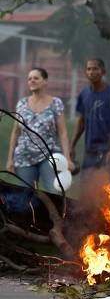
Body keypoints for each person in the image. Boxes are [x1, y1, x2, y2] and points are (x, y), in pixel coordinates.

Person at [5, 68, 74, 204]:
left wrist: (67, 159)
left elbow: (63, 132)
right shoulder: (22, 104)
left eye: (36, 78)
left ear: (45, 81)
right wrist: (9, 158)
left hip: (49, 155)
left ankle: (58, 222)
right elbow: (15, 132)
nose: (32, 81)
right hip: (24, 157)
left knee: (54, 192)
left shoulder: (56, 103)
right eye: (29, 78)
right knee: (26, 197)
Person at [71, 59, 110, 172]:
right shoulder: (84, 94)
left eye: (95, 68)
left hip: (108, 150)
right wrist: (72, 145)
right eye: (88, 69)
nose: (91, 72)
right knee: (88, 186)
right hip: (90, 150)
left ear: (103, 72)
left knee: (108, 187)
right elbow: (81, 121)